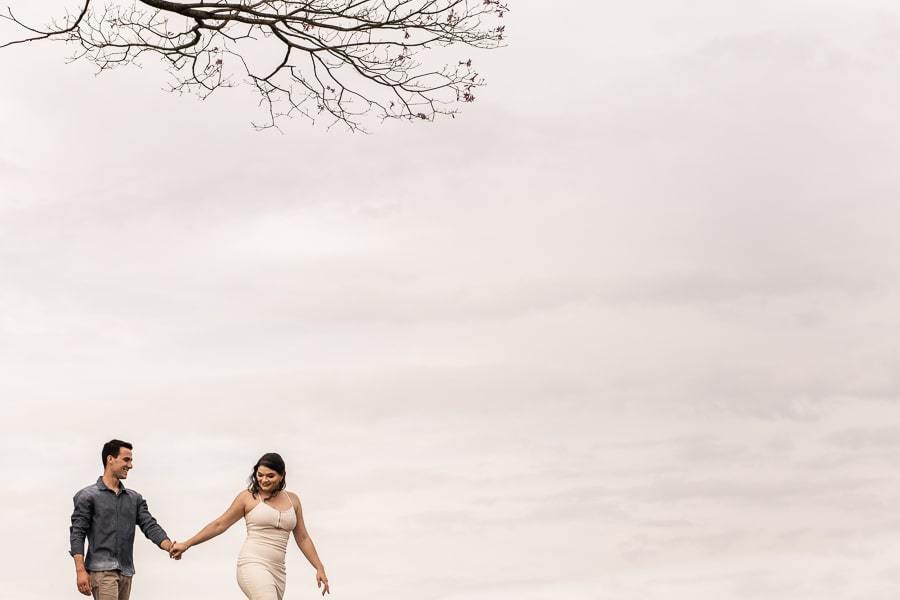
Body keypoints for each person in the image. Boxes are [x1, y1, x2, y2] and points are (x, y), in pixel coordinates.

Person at [169, 452, 330, 599]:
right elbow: (219, 525)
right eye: (260, 475)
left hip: (278, 571)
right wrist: (187, 544)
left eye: (270, 476)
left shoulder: (293, 500)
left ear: (282, 476)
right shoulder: (247, 498)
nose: (264, 480)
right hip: (252, 564)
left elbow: (302, 537)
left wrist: (319, 567)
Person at [69, 439, 176, 600]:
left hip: (126, 571)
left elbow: (149, 525)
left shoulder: (134, 498)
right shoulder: (87, 496)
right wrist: (80, 571)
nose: (130, 465)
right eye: (126, 459)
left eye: (131, 460)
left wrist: (169, 546)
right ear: (110, 459)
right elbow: (77, 533)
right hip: (102, 571)